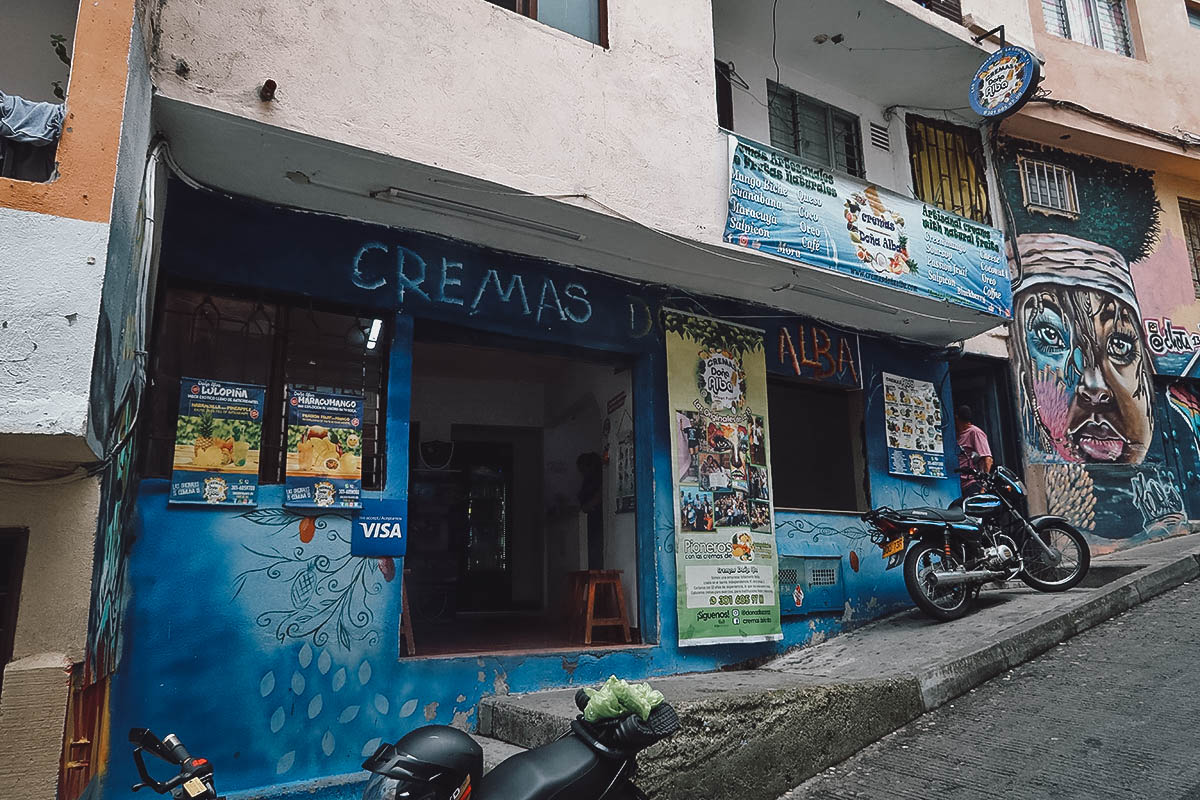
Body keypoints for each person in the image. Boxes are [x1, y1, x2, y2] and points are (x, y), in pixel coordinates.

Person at [955, 405, 993, 490]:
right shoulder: (958, 434)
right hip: (958, 484)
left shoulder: (975, 432)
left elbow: (988, 459)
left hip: (971, 483)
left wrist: (984, 486)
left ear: (956, 417)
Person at [576, 452, 604, 570]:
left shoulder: (596, 479)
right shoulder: (587, 480)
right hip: (590, 521)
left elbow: (599, 497)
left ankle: (597, 584)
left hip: (596, 520)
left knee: (595, 553)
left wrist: (586, 507)